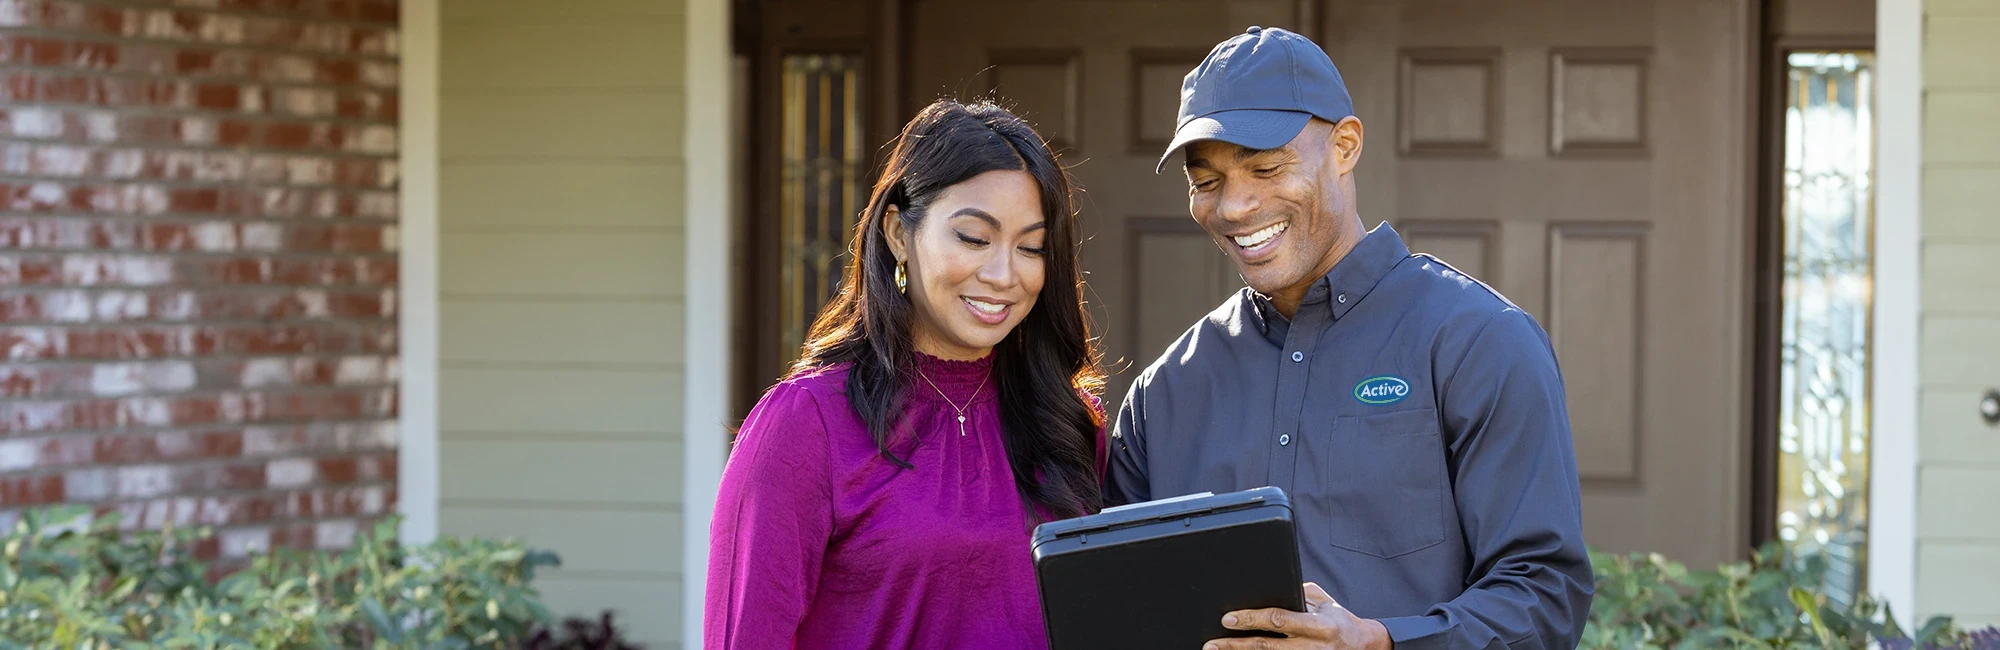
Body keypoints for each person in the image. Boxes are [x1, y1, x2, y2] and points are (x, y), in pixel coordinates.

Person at [1106, 26, 1595, 650]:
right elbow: (1125, 606)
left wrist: (1384, 642)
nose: (1233, 206)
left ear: (1345, 146)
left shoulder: (1480, 342)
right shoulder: (1165, 392)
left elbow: (1546, 595)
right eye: (1206, 181)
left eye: (1265, 167)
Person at [703, 99, 1106, 649]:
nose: (1003, 274)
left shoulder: (1070, 422)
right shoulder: (806, 425)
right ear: (898, 233)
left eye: (1030, 247)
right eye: (973, 237)